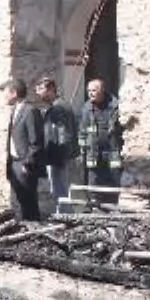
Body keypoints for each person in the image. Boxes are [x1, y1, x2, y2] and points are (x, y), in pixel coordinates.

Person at [79, 78, 125, 206]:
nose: (91, 93)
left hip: (113, 152)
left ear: (102, 90)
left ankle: (113, 208)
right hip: (94, 153)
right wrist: (82, 150)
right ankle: (94, 208)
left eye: (94, 90)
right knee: (94, 183)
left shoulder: (115, 106)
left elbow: (123, 130)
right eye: (89, 90)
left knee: (113, 181)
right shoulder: (86, 108)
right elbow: (82, 131)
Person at [35, 76, 77, 214]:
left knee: (60, 189)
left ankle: (65, 218)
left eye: (41, 89)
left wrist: (59, 156)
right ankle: (63, 215)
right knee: (59, 189)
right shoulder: (56, 106)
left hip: (58, 156)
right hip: (57, 156)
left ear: (51, 89)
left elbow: (62, 133)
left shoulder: (59, 107)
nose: (38, 93)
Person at [4, 78, 44, 221]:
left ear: (14, 93)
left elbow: (36, 142)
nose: (4, 96)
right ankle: (19, 231)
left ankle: (32, 232)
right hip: (14, 162)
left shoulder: (30, 111)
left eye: (6, 92)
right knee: (17, 202)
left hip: (24, 164)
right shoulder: (15, 110)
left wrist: (27, 164)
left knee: (28, 202)